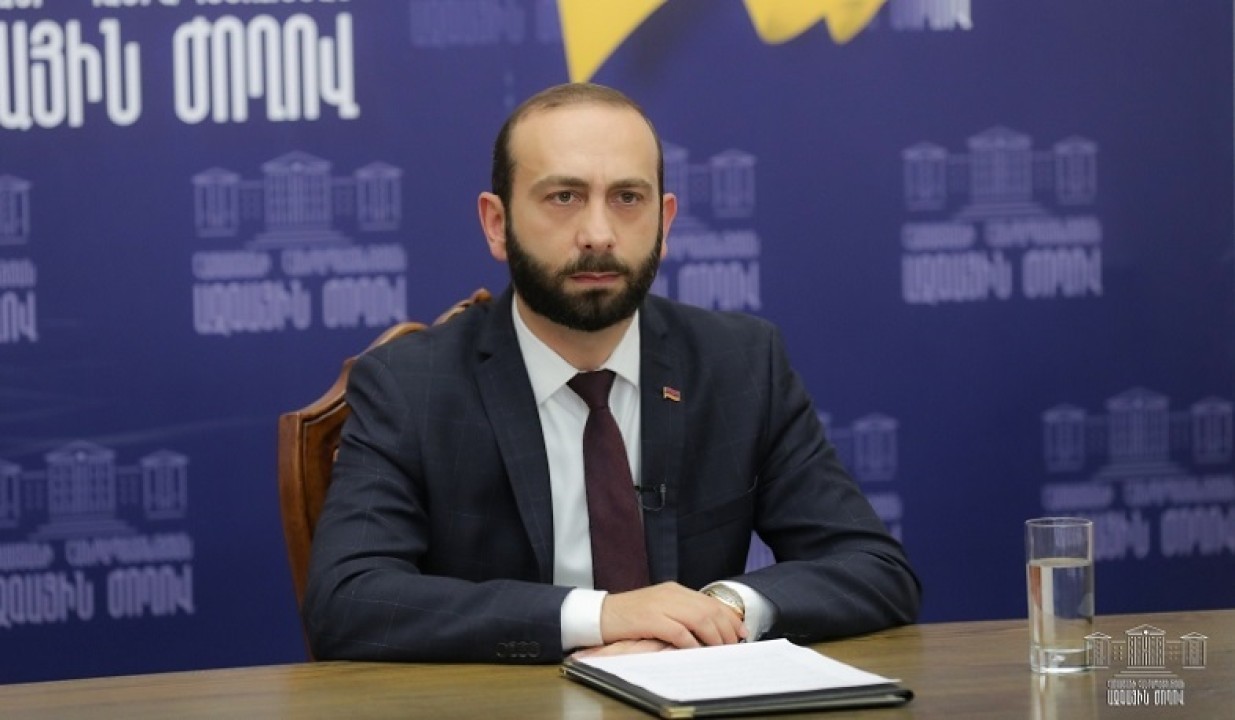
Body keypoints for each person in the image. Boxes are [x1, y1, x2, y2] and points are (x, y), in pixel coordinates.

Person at [303, 82, 920, 663]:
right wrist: (601, 617)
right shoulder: (410, 385)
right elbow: (348, 600)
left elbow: (873, 568)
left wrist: (719, 610)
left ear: (665, 222)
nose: (598, 234)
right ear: (497, 224)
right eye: (563, 197)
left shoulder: (740, 363)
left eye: (628, 198)